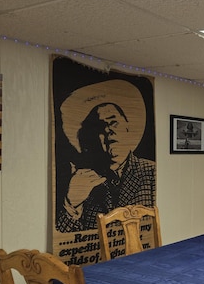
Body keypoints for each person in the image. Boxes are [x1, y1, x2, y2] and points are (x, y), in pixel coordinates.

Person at [55, 80, 155, 232]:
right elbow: (66, 234)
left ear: (128, 128)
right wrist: (72, 203)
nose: (108, 130)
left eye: (114, 122)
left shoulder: (151, 172)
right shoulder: (84, 179)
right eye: (101, 127)